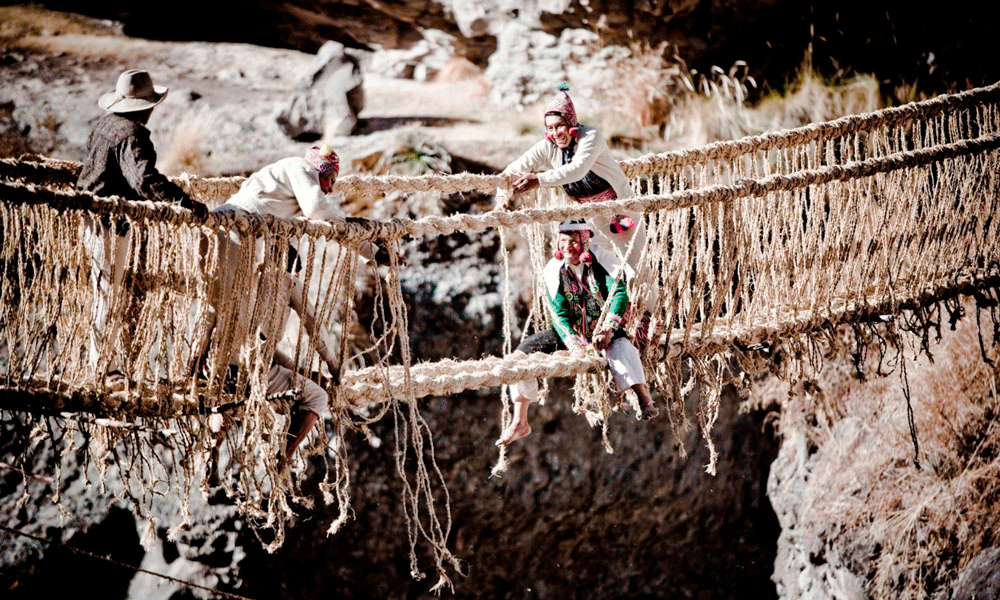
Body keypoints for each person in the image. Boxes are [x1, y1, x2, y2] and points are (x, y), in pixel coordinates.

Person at [77, 69, 209, 386]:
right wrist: (186, 204)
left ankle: (104, 365)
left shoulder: (105, 126)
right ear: (146, 107)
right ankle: (104, 371)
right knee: (109, 294)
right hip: (110, 222)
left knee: (104, 291)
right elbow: (144, 180)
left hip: (91, 218)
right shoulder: (134, 134)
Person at [496, 219, 658, 446]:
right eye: (563, 241)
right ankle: (520, 420)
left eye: (573, 241)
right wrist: (572, 343)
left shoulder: (601, 263)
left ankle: (643, 398)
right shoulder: (554, 271)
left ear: (584, 241)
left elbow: (619, 294)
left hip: (603, 329)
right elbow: (558, 314)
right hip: (571, 332)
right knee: (522, 355)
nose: (568, 246)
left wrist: (609, 328)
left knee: (622, 350)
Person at [495, 83, 646, 272]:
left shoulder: (591, 137)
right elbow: (512, 170)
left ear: (571, 123)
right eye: (550, 128)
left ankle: (644, 302)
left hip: (620, 209)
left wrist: (538, 180)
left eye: (560, 126)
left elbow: (577, 169)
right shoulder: (547, 146)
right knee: (597, 271)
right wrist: (501, 196)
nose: (555, 133)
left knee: (636, 269)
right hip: (590, 216)